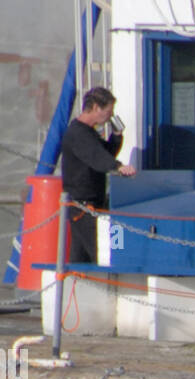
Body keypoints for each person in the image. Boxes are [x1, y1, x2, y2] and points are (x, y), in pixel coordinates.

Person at [60, 87, 137, 264]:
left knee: (80, 258)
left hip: (87, 205)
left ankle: (76, 287)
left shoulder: (87, 132)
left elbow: (104, 153)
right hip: (83, 206)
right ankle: (110, 284)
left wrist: (116, 137)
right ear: (96, 107)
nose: (110, 116)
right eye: (108, 111)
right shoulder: (78, 134)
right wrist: (118, 167)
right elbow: (97, 158)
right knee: (103, 252)